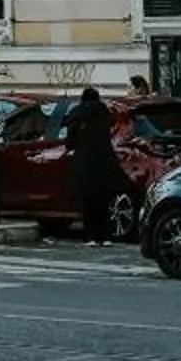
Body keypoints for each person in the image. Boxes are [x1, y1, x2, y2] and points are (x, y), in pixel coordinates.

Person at [66, 85, 121, 243]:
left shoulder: (77, 113)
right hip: (105, 161)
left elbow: (70, 143)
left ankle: (91, 236)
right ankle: (106, 236)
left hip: (86, 163)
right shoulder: (104, 112)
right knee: (104, 202)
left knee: (88, 203)